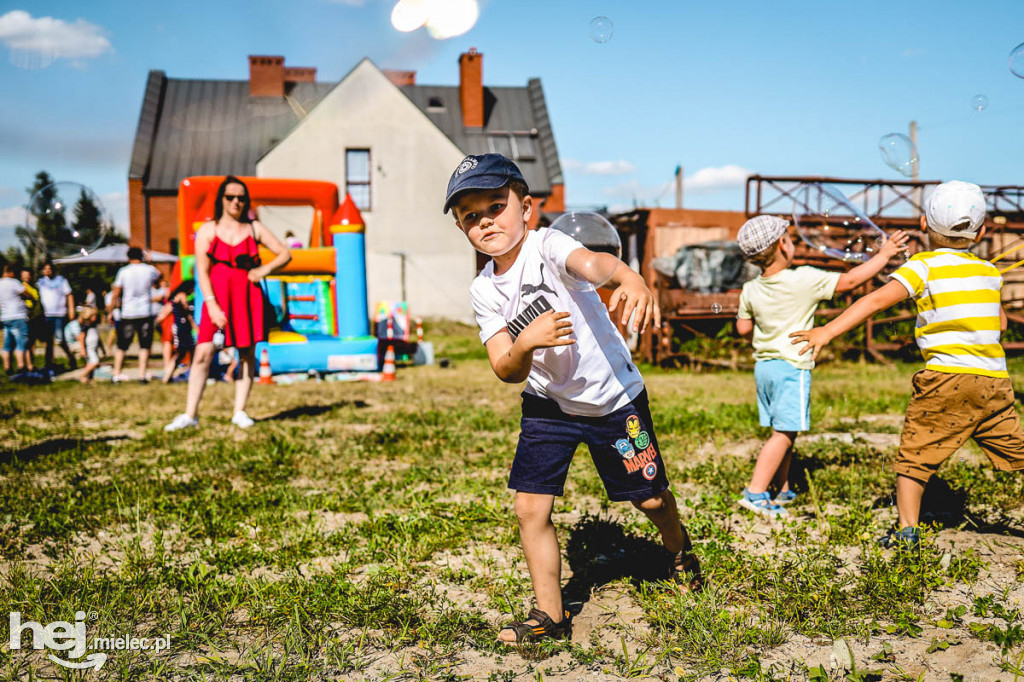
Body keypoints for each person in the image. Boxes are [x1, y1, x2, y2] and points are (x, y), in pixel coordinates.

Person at [445, 154, 701, 643]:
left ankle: (679, 550)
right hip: (548, 405)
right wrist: (524, 342)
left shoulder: (548, 245)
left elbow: (594, 263)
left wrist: (630, 278)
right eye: (470, 217)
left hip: (613, 400)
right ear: (462, 229)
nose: (485, 222)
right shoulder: (484, 291)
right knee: (529, 509)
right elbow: (505, 368)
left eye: (495, 206)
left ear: (526, 209)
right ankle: (552, 617)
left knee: (648, 498)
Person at [792, 181, 1024, 548]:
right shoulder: (989, 272)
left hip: (946, 379)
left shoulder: (923, 266)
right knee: (1017, 449)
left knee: (914, 458)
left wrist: (827, 331)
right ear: (981, 232)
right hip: (994, 381)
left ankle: (906, 530)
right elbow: (1000, 324)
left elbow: (874, 302)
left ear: (922, 223)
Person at [733, 216, 909, 517]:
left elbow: (743, 329)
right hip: (791, 366)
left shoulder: (750, 289)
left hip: (764, 368)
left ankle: (784, 488)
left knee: (784, 429)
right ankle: (756, 493)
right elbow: (851, 281)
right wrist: (884, 255)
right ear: (783, 245)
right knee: (784, 433)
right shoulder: (803, 279)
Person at [165, 176, 291, 431]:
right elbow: (202, 271)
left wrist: (263, 271)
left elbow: (285, 254)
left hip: (247, 296)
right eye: (230, 197)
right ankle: (190, 414)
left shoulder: (254, 229)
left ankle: (240, 411)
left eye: (241, 198)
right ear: (221, 199)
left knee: (246, 353)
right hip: (217, 297)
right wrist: (211, 305)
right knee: (202, 353)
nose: (236, 202)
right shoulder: (207, 230)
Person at [109, 247, 161, 383]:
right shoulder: (149, 269)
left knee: (122, 345)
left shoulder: (123, 271)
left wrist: (110, 309)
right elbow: (159, 276)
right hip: (145, 311)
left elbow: (116, 292)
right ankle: (142, 375)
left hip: (128, 312)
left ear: (128, 257)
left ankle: (116, 374)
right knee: (144, 345)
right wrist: (150, 261)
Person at [36, 261, 76, 372]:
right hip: (46, 314)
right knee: (48, 341)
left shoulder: (61, 280)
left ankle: (70, 357)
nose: (47, 271)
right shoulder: (40, 282)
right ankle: (49, 363)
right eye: (45, 269)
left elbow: (69, 294)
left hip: (59, 314)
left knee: (60, 339)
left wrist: (71, 309)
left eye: (49, 269)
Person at [156, 280, 197, 384]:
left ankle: (189, 374)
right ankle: (169, 376)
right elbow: (186, 312)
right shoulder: (182, 296)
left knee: (186, 353)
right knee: (181, 354)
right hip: (182, 329)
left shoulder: (174, 297)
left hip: (183, 328)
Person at [0, 264, 32, 376]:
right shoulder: (14, 282)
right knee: (20, 343)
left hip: (5, 317)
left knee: (7, 345)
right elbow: (27, 294)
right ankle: (21, 366)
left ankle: (7, 367)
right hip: (18, 315)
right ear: (10, 272)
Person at [19, 267, 42, 372]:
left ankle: (31, 364)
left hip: (35, 317)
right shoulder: (21, 287)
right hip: (26, 316)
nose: (26, 277)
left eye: (28, 275)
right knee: (27, 343)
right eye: (24, 275)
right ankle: (28, 366)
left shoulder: (34, 287)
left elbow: (37, 300)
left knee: (32, 343)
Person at [76, 306, 101, 383]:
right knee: (95, 362)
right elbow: (81, 337)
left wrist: (102, 349)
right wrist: (82, 349)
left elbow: (98, 338)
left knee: (90, 363)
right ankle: (83, 375)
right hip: (89, 348)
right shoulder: (86, 326)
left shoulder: (94, 326)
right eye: (93, 316)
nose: (95, 317)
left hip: (94, 347)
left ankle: (90, 379)